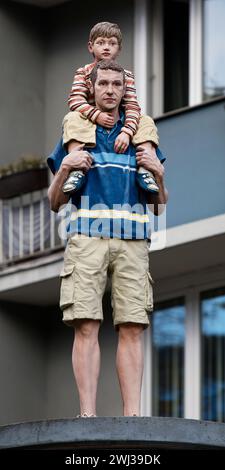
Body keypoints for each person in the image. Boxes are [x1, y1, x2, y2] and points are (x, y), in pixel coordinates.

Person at [47, 60, 168, 418]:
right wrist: (66, 168)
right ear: (93, 88)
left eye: (117, 84)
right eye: (104, 84)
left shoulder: (140, 137)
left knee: (132, 326)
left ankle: (133, 417)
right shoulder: (78, 132)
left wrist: (159, 174)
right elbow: (55, 202)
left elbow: (160, 206)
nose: (111, 89)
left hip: (133, 240)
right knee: (86, 324)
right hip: (87, 237)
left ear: (124, 90)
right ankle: (88, 416)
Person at [62, 21, 162, 195]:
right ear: (90, 47)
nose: (106, 48)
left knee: (145, 120)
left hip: (119, 120)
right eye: (101, 43)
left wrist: (126, 132)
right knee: (72, 118)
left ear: (119, 48)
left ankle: (146, 169)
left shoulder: (127, 75)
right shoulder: (83, 72)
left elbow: (132, 105)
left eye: (112, 43)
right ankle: (76, 167)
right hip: (89, 119)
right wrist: (96, 115)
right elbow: (75, 100)